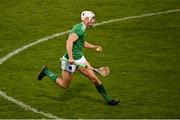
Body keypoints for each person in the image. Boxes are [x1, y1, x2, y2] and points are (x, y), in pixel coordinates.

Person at [38, 11, 119, 105]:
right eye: (92, 19)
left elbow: (81, 42)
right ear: (87, 19)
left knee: (94, 78)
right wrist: (71, 58)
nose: (93, 21)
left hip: (80, 59)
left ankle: (108, 100)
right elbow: (69, 42)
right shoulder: (79, 29)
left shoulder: (83, 29)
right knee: (65, 85)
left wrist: (94, 47)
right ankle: (46, 72)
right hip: (69, 61)